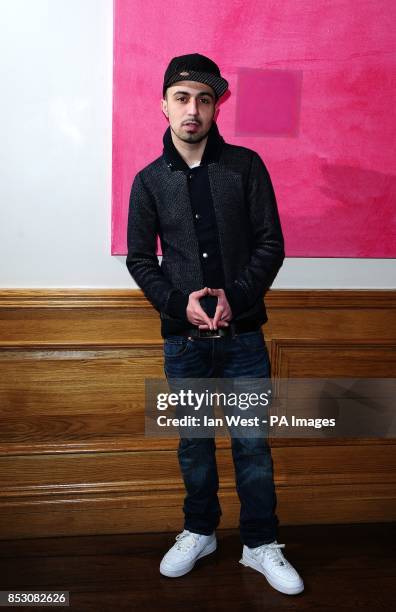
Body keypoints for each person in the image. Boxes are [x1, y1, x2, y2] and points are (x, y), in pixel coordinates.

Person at [126, 53, 304, 595]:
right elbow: (140, 259)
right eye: (182, 97)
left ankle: (259, 544)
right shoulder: (149, 181)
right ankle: (199, 531)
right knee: (194, 442)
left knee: (252, 444)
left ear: (215, 107)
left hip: (244, 336)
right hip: (184, 343)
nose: (193, 109)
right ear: (164, 105)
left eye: (204, 99)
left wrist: (238, 296)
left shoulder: (245, 167)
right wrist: (180, 304)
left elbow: (271, 243)